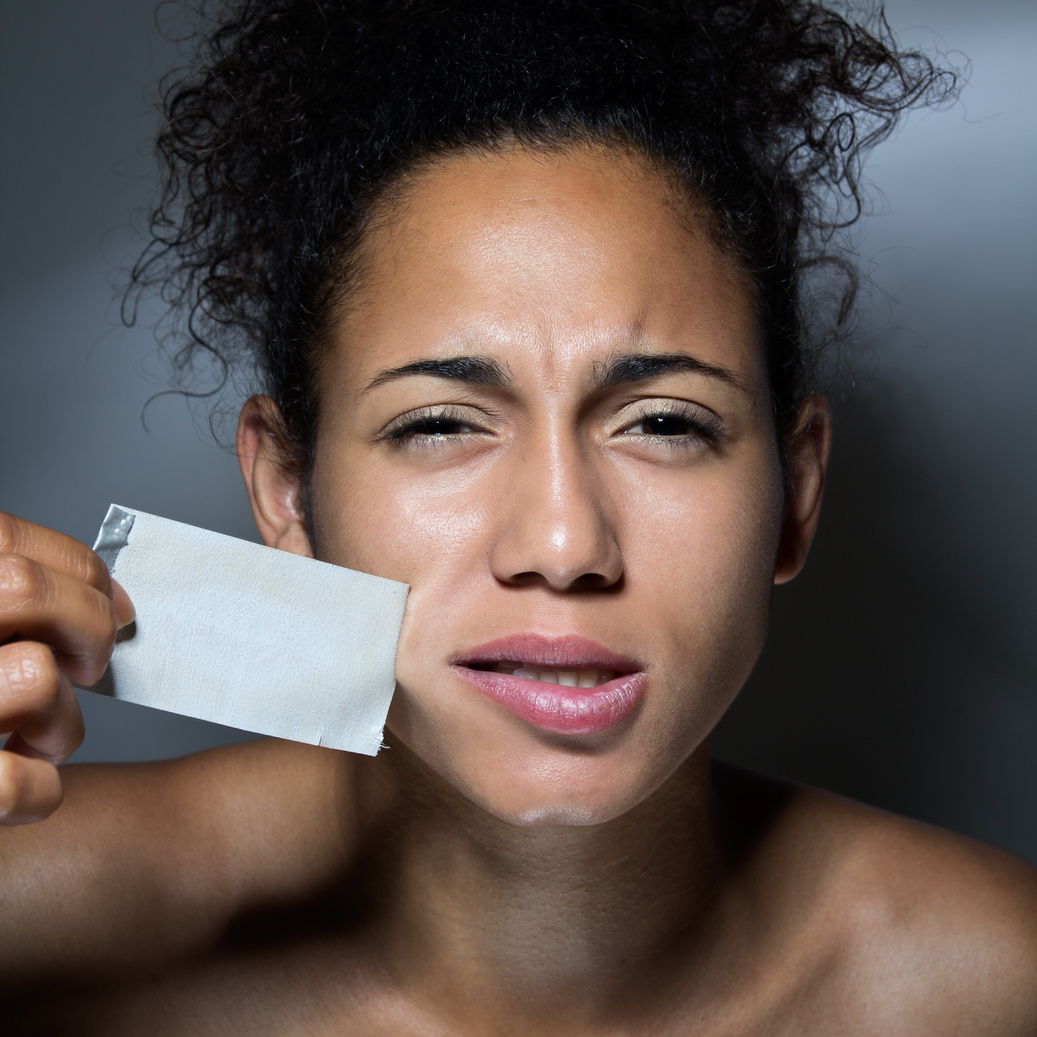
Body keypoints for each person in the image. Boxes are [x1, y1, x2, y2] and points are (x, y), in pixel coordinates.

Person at [2, 1, 1035, 1032]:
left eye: (664, 422)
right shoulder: (43, 928)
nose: (563, 543)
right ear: (286, 490)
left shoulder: (991, 982)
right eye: (442, 422)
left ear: (794, 492)